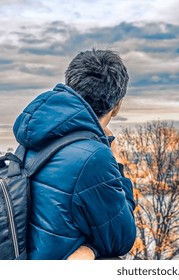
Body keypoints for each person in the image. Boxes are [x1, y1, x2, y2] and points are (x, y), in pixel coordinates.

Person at [12, 49, 136, 260]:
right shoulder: (94, 157)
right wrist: (109, 154)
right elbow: (122, 237)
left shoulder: (34, 134)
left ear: (71, 86)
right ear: (117, 106)